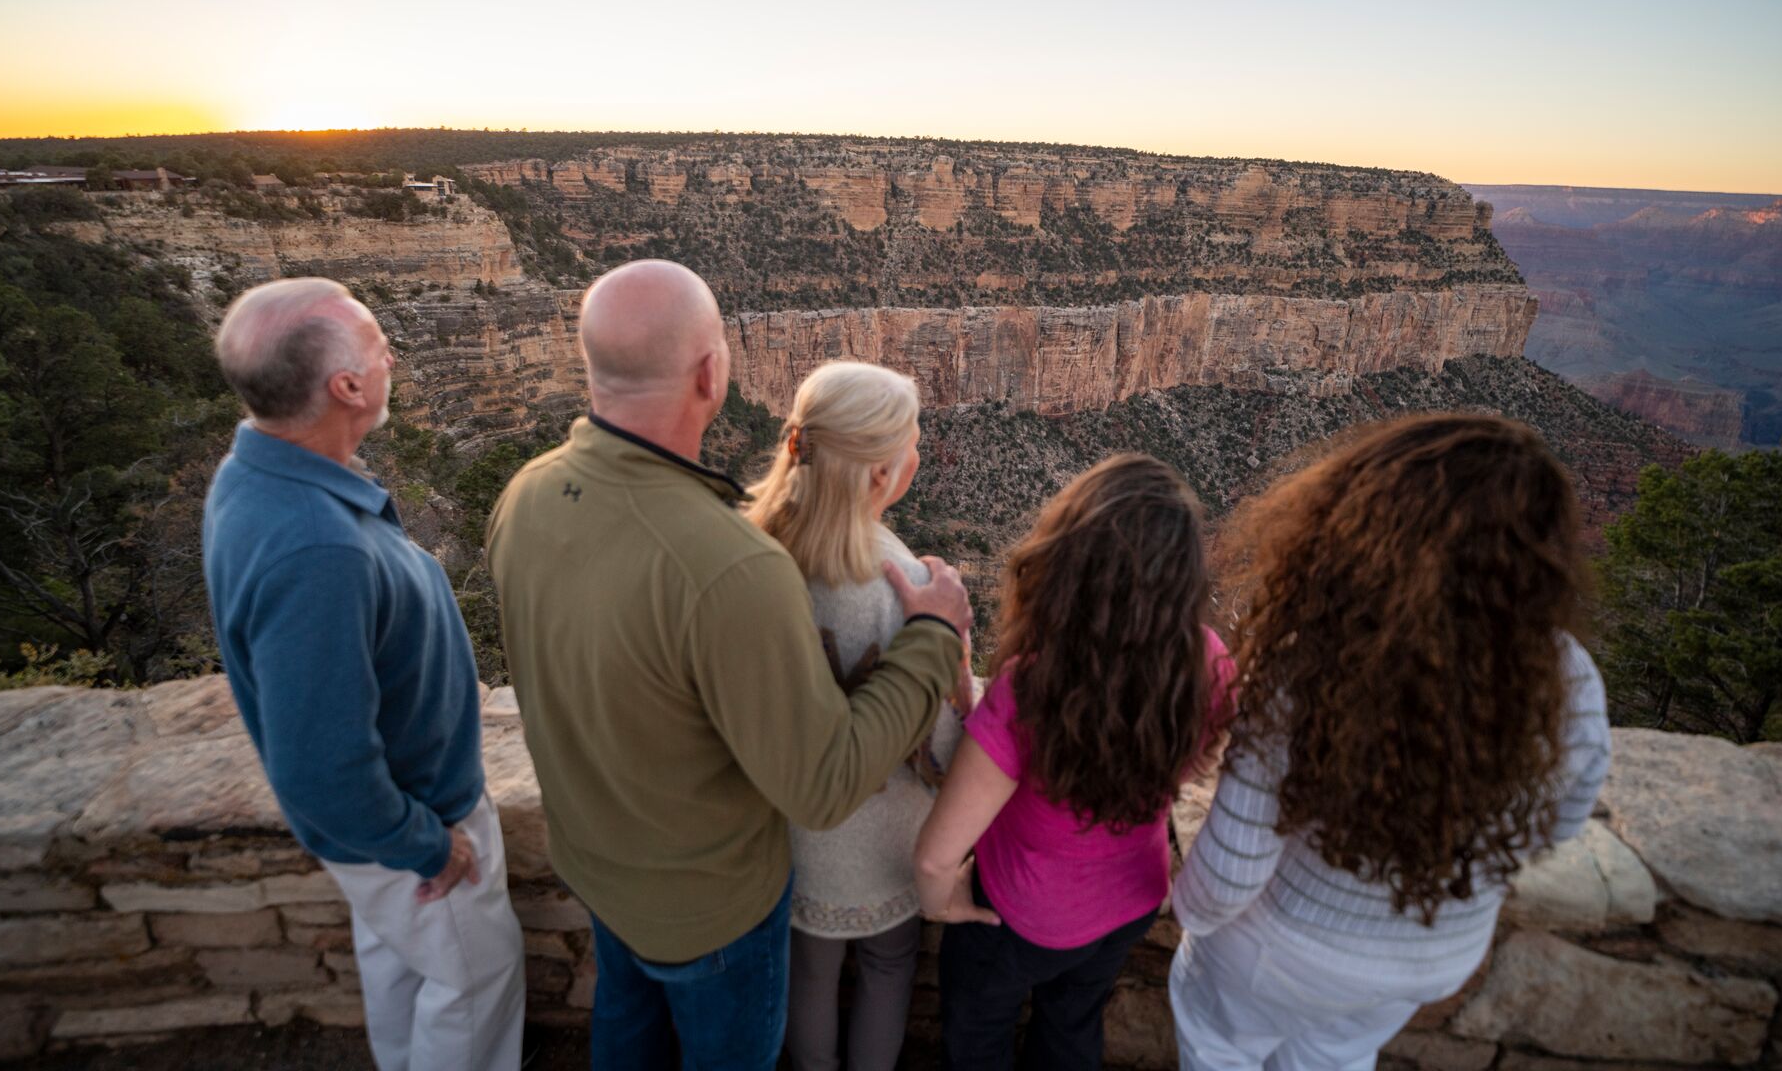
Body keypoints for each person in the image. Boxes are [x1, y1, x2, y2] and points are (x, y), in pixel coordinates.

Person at [485, 260, 971, 1071]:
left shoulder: (527, 493)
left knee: (627, 1036)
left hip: (599, 866)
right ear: (712, 373)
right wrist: (931, 638)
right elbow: (821, 785)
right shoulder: (730, 566)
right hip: (708, 905)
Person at [1168, 414, 1612, 1071]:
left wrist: (1183, 912)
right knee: (1335, 1059)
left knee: (1218, 1046)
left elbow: (1231, 873)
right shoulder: (1566, 675)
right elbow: (1556, 824)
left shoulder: (1309, 669)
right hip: (1428, 959)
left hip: (1279, 954)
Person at [201, 277, 524, 1071]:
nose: (393, 356)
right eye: (380, 345)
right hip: (417, 823)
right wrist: (425, 846)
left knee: (403, 973)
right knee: (475, 988)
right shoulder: (317, 548)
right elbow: (319, 761)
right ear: (346, 386)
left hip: (385, 830)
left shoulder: (260, 476)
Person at [915, 454, 1236, 1071]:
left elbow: (935, 858)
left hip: (1015, 917)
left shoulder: (1032, 688)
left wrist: (944, 903)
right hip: (1129, 907)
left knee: (976, 1036)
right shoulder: (1210, 661)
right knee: (1071, 1031)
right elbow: (1193, 767)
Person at [744, 361, 975, 1071]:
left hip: (794, 833)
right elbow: (941, 740)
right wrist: (958, 651)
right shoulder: (898, 582)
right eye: (911, 441)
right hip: (883, 841)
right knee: (887, 969)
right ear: (881, 474)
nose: (917, 453)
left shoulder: (756, 555)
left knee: (809, 975)